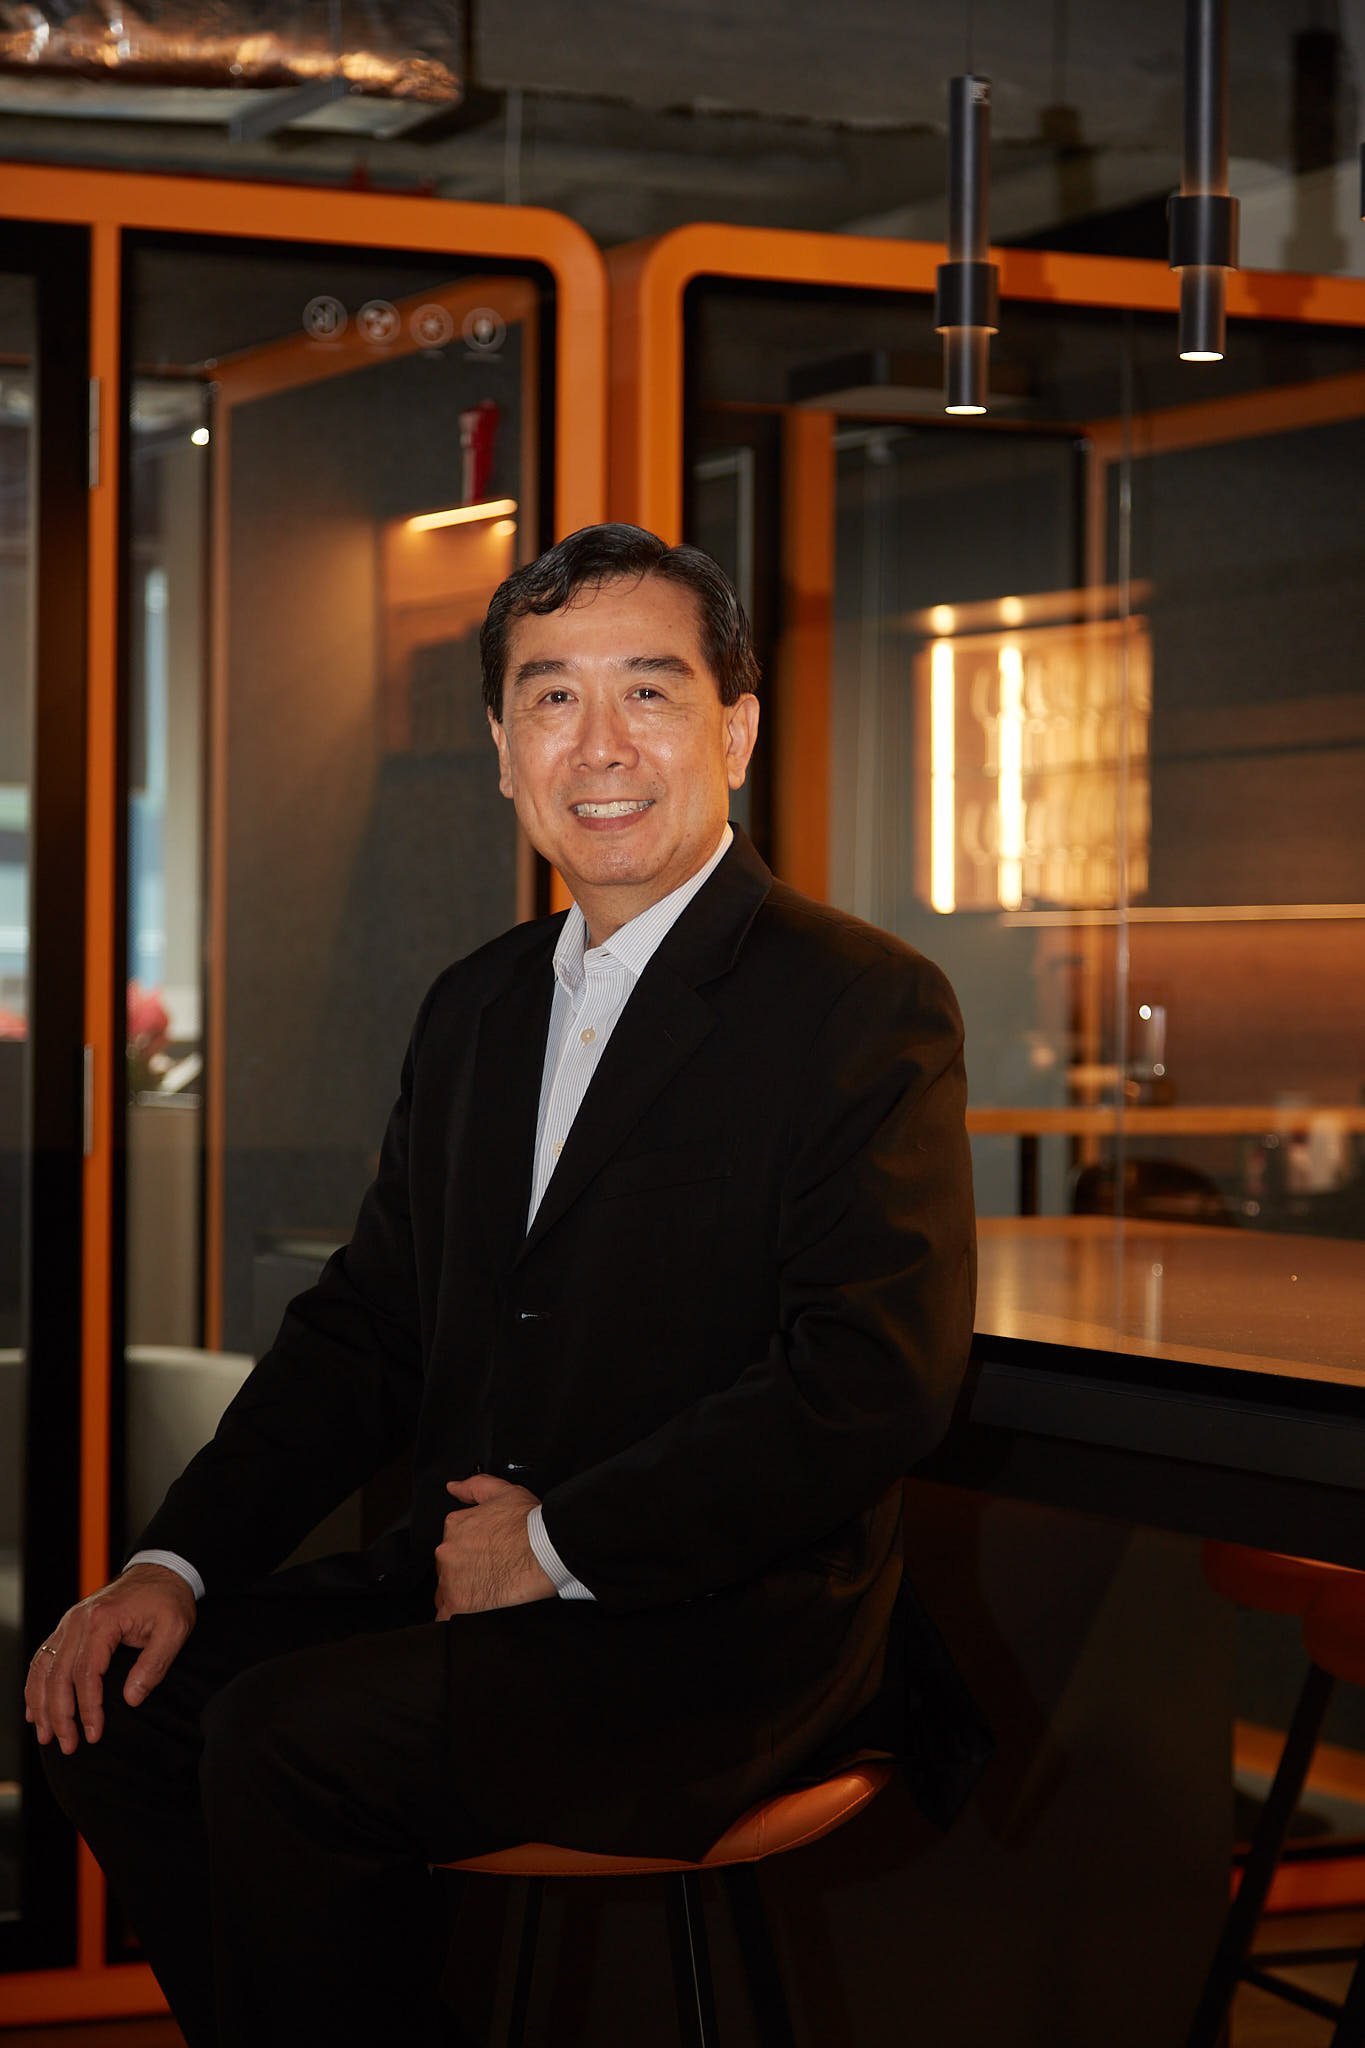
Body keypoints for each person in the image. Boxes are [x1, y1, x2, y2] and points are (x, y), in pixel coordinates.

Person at [26, 523, 984, 2048]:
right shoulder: (474, 1005)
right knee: (112, 1704)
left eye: (647, 693)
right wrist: (175, 1564)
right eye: (549, 699)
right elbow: (365, 1328)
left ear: (734, 731)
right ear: (498, 748)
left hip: (713, 1633)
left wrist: (558, 1542)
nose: (598, 746)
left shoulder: (859, 1002)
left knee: (283, 1737)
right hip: (472, 1594)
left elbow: (871, 1376)